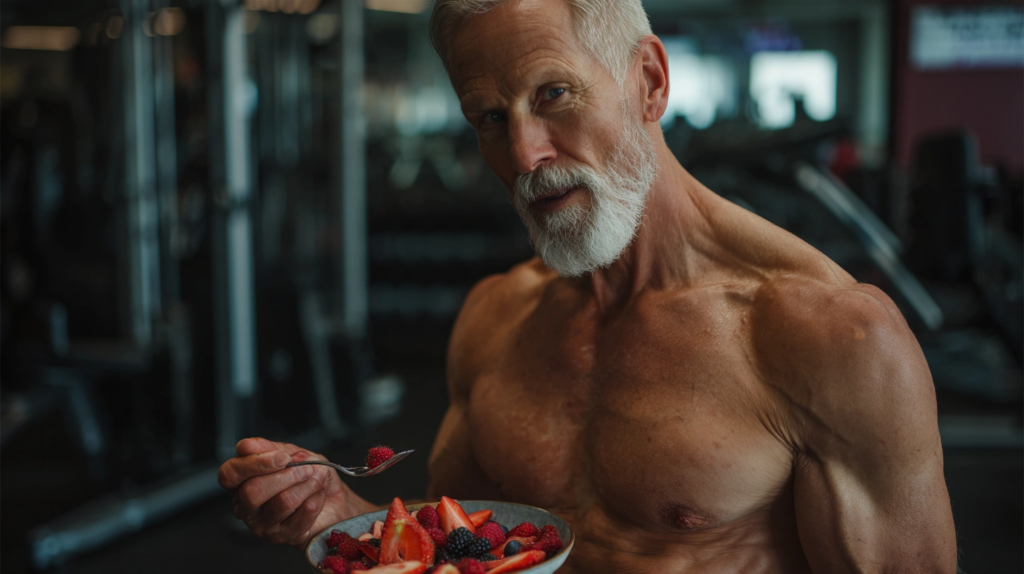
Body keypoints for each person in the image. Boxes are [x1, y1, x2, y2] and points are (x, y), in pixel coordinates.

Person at [218, 1, 957, 571]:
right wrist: (337, 511)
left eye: (554, 94)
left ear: (649, 82)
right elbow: (460, 546)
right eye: (488, 116)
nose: (525, 153)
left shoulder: (828, 336)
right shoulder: (496, 319)